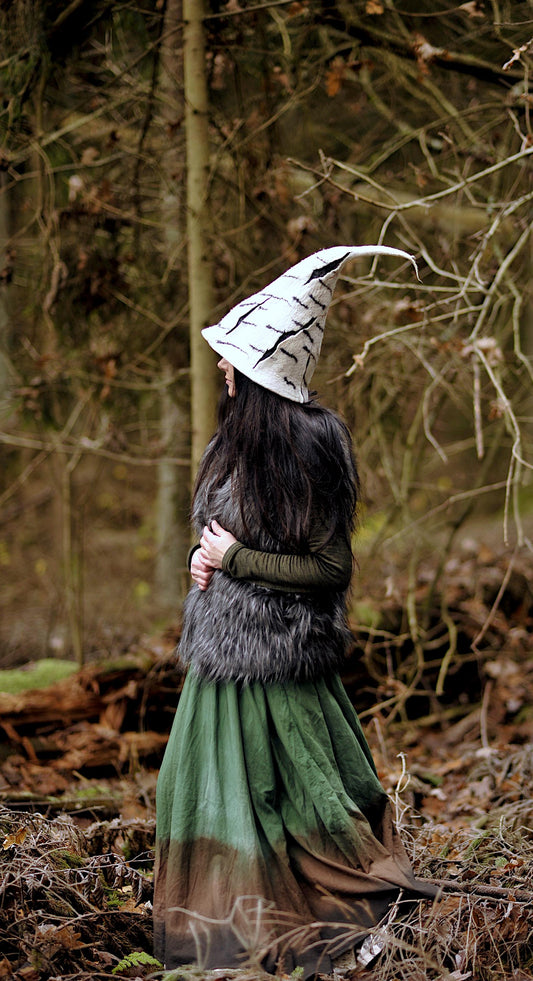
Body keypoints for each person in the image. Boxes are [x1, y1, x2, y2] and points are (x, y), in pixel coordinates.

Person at [153, 246, 436, 978]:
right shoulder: (232, 440)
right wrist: (201, 560)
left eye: (231, 358)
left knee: (304, 809)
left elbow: (327, 568)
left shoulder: (310, 443)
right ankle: (220, 938)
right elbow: (221, 534)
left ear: (257, 371)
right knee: (199, 795)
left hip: (282, 665)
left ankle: (308, 929)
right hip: (218, 659)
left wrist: (235, 559)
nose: (220, 367)